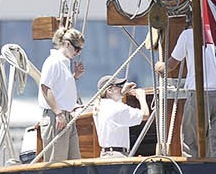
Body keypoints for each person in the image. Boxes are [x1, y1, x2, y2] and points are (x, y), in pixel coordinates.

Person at [156, 21, 216, 158]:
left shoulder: (187, 35)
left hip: (198, 95)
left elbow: (170, 66)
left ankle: (191, 173)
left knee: (190, 141)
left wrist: (159, 66)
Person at [37, 27, 85, 162]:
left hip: (66, 116)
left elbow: (60, 88)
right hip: (56, 117)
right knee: (57, 164)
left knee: (74, 162)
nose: (78, 52)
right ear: (68, 44)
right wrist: (58, 113)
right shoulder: (54, 61)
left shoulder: (64, 63)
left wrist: (75, 76)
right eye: (77, 48)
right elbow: (45, 87)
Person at [94, 77, 150, 157]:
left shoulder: (101, 106)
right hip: (117, 156)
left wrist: (121, 93)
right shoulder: (117, 108)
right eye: (119, 86)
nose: (121, 88)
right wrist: (141, 97)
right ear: (109, 90)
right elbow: (145, 115)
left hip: (106, 154)